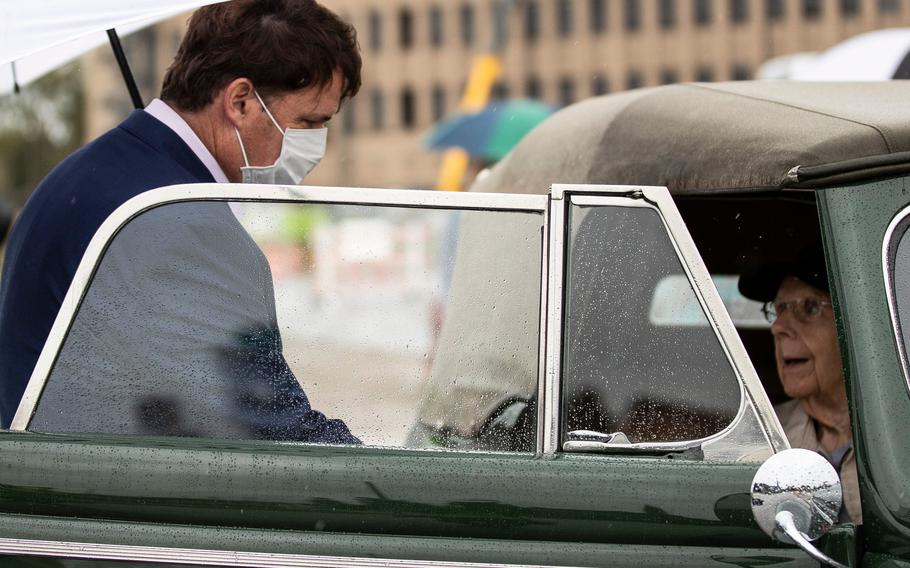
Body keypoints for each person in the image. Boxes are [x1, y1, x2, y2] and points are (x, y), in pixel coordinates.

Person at [0, 0, 361, 443]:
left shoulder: (93, 172)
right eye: (308, 122)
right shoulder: (175, 220)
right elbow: (271, 431)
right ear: (242, 102)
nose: (316, 146)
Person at [739, 244, 861, 523]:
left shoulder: (897, 440)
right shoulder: (763, 439)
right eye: (778, 309)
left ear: (853, 325)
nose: (778, 326)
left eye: (809, 307)